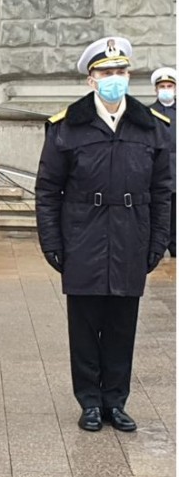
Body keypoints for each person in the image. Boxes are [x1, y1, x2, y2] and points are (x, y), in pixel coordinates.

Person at [36, 37, 172, 433]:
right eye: (106, 72)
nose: (115, 78)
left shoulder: (151, 126)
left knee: (121, 327)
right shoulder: (67, 126)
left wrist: (158, 240)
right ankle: (90, 402)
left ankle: (115, 401)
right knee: (84, 327)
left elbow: (162, 190)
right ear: (91, 79)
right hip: (83, 237)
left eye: (121, 71)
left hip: (131, 237)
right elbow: (48, 190)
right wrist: (51, 241)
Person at [150, 67, 176, 257]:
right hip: (157, 170)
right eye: (162, 86)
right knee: (159, 210)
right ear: (156, 90)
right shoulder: (149, 113)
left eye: (169, 86)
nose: (166, 90)